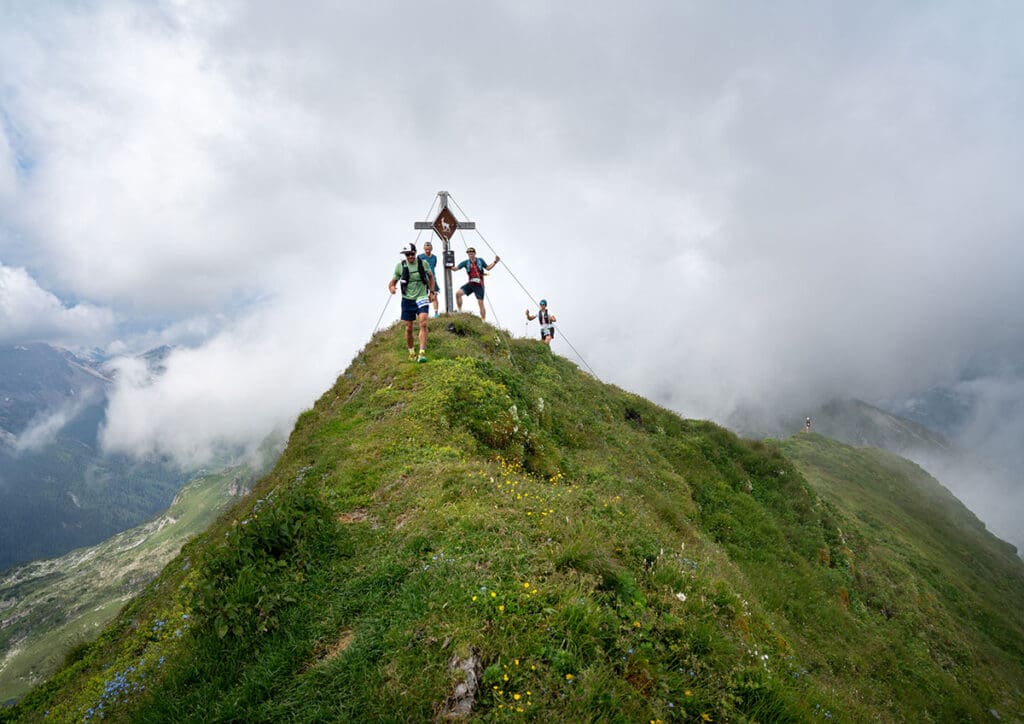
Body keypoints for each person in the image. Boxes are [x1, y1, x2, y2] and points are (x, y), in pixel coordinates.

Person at [388, 243, 436, 363]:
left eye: (411, 254)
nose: (410, 256)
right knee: (409, 327)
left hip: (422, 296)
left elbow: (431, 277)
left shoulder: (423, 263)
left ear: (415, 252)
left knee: (423, 323)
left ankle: (422, 353)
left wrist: (432, 292)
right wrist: (392, 288)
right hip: (407, 299)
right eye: (407, 254)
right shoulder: (400, 266)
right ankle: (411, 352)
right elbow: (392, 283)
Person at [455, 247, 500, 320]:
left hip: (479, 285)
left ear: (475, 253)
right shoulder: (466, 262)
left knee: (480, 303)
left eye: (472, 254)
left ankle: (483, 321)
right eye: (469, 254)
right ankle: (459, 311)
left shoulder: (480, 260)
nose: (470, 255)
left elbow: (488, 268)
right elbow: (455, 268)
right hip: (471, 283)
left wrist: (495, 262)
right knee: (458, 294)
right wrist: (449, 265)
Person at [418, 241, 440, 318]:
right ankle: (421, 313)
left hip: (432, 279)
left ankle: (436, 313)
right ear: (424, 248)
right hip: (423, 280)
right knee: (422, 297)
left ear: (431, 248)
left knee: (434, 296)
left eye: (429, 248)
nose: (427, 250)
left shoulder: (434, 257)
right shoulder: (420, 257)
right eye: (426, 249)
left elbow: (434, 265)